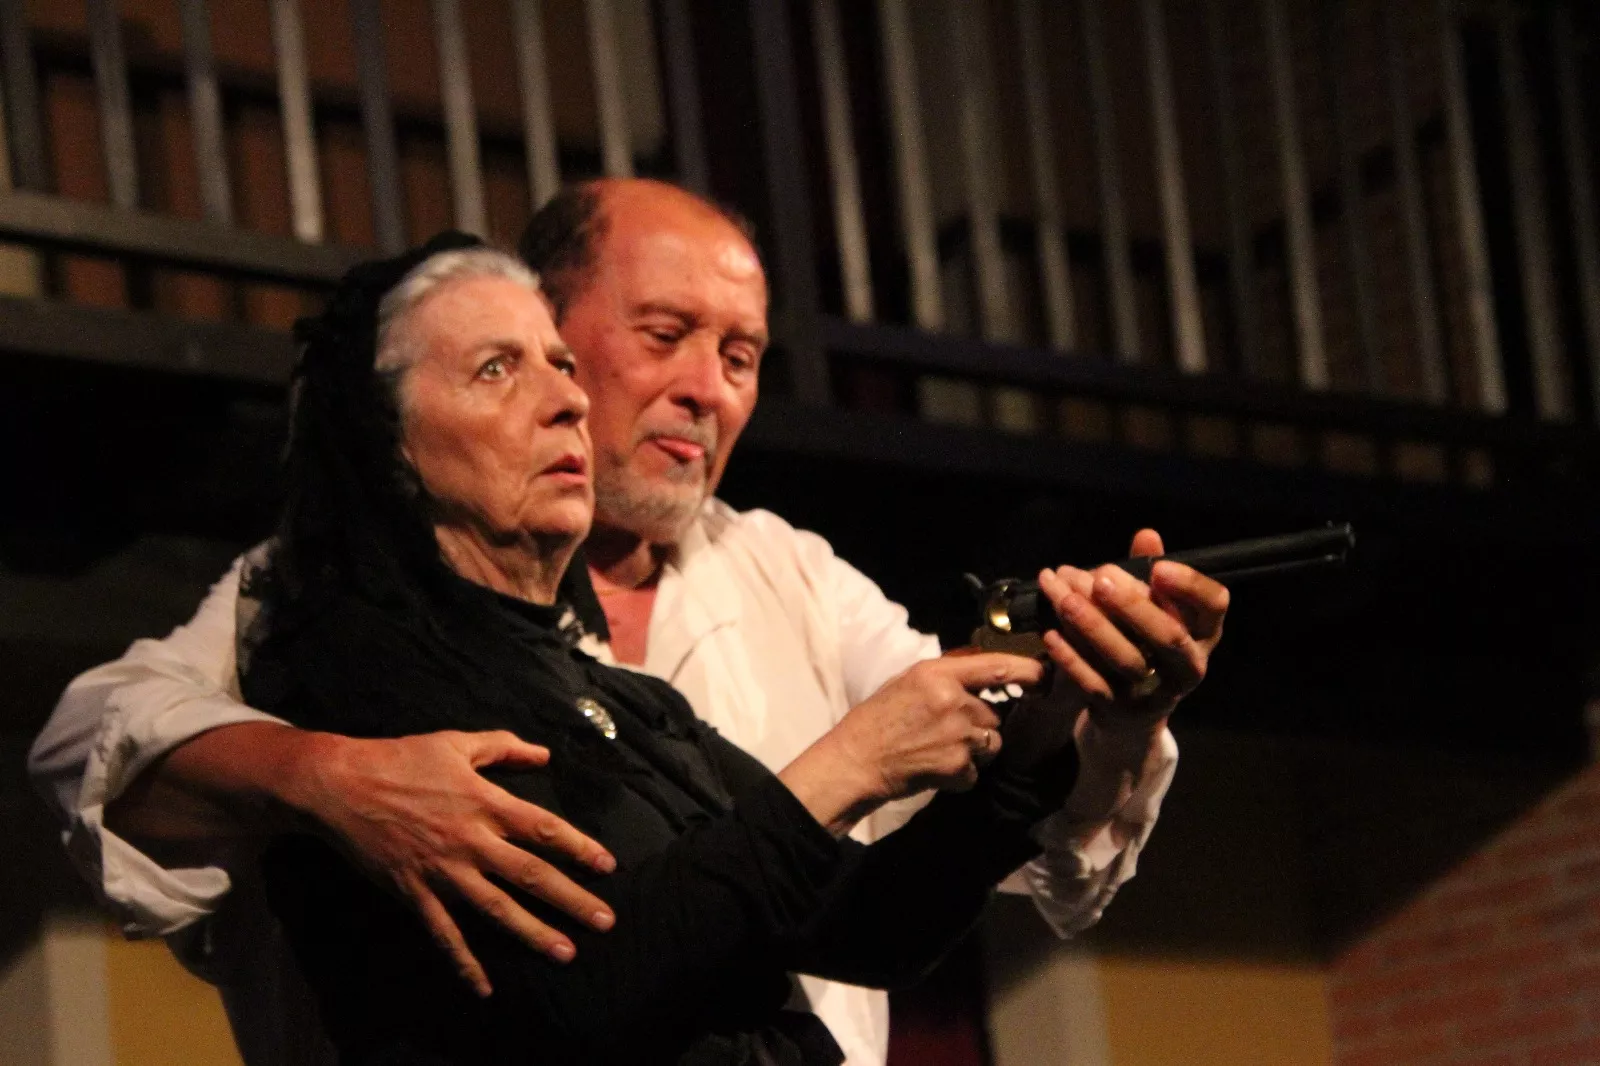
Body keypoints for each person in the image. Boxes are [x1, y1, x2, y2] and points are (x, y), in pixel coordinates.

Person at [29, 179, 1227, 1065]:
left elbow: (927, 863)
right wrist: (324, 776)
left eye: (742, 355)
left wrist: (1084, 719)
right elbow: (96, 741)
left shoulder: (781, 576)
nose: (708, 388)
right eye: (664, 336)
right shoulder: (334, 603)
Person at [244, 231, 1081, 1065]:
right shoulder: (356, 678)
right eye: (496, 369)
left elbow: (870, 927)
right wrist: (855, 760)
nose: (568, 401)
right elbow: (579, 995)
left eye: (561, 364)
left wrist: (1037, 741)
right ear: (386, 441)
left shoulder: (619, 698)